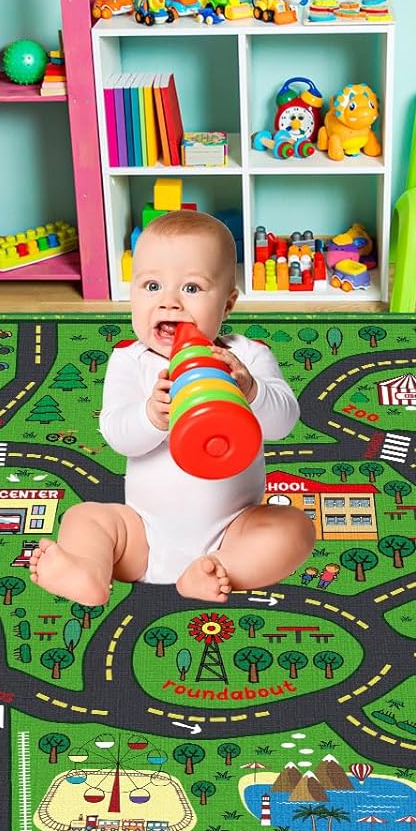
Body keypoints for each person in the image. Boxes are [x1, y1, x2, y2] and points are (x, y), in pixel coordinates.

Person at [29, 210, 314, 603]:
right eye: (151, 285)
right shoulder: (130, 360)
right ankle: (87, 572)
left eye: (192, 288)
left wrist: (250, 390)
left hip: (233, 529)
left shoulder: (247, 356)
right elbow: (117, 435)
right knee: (85, 517)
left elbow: (283, 422)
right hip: (142, 535)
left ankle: (216, 570)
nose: (170, 302)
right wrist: (151, 415)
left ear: (227, 304)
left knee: (293, 527)